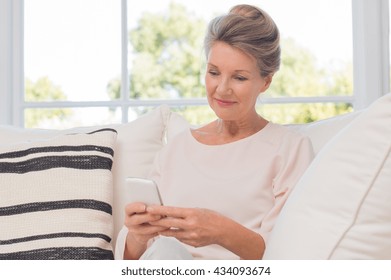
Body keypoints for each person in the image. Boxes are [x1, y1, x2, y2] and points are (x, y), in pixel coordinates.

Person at [115, 4, 314, 260]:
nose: (221, 89)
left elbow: (287, 255)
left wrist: (221, 231)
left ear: (266, 81)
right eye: (213, 73)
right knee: (166, 248)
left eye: (239, 78)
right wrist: (138, 235)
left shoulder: (289, 148)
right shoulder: (177, 149)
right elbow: (129, 262)